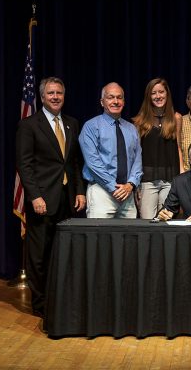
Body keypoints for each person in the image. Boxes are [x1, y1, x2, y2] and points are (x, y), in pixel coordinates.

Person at [15, 77, 86, 319]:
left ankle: (59, 299)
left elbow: (74, 162)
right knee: (39, 255)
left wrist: (79, 190)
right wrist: (34, 196)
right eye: (51, 93)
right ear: (42, 97)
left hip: (66, 200)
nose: (55, 97)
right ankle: (41, 304)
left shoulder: (71, 123)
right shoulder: (29, 125)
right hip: (42, 201)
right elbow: (24, 165)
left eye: (59, 93)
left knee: (61, 252)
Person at [79, 82, 142, 218]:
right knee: (99, 238)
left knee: (130, 238)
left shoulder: (132, 129)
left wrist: (131, 184)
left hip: (127, 194)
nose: (115, 101)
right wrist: (113, 187)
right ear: (102, 102)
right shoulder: (90, 127)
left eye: (119, 98)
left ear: (124, 102)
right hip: (101, 192)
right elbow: (93, 163)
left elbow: (137, 160)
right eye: (110, 97)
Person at [132, 78, 182, 219]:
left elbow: (178, 146)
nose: (158, 96)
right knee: (147, 221)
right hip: (148, 180)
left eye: (161, 92)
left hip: (170, 180)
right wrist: (136, 183)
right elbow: (136, 153)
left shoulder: (176, 118)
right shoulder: (140, 120)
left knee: (167, 221)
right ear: (149, 96)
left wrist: (181, 176)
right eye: (154, 93)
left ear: (167, 94)